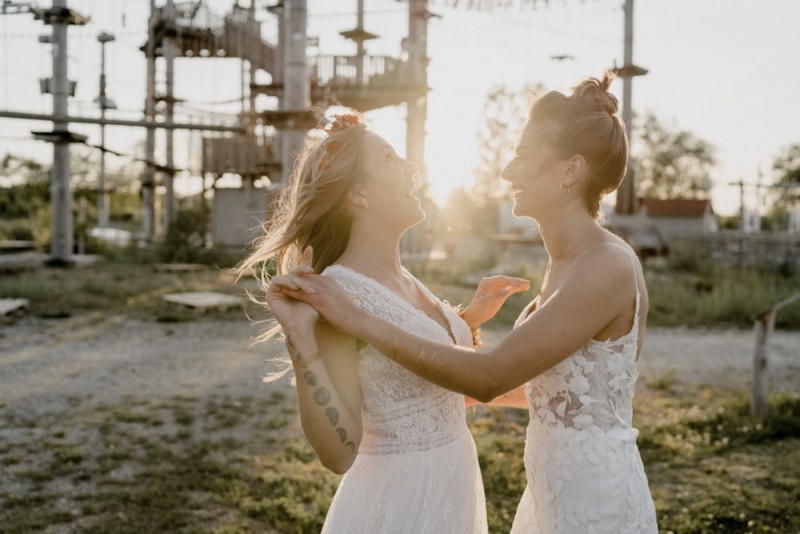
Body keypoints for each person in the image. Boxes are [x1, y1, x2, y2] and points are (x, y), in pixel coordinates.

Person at [272, 74, 659, 532]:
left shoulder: (603, 265)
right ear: (357, 193)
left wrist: (360, 319)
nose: (507, 172)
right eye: (392, 159)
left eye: (522, 157)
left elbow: (491, 377)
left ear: (570, 171)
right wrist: (462, 324)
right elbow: (548, 390)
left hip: (593, 503)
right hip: (534, 498)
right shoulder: (564, 265)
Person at [236, 112, 529, 533]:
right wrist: (299, 335)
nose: (412, 168)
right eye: (391, 159)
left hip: (452, 490)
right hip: (398, 505)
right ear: (360, 194)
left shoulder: (402, 277)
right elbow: (339, 454)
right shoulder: (337, 296)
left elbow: (414, 377)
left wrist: (464, 320)